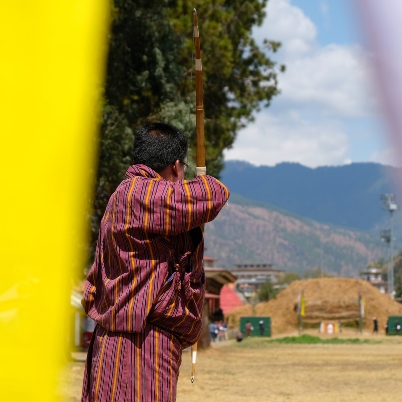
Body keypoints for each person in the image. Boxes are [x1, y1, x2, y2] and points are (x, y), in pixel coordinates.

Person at [80, 123, 230, 402]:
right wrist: (201, 179)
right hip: (139, 343)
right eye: (182, 169)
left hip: (126, 339)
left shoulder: (128, 194)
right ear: (176, 166)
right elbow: (213, 195)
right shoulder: (141, 194)